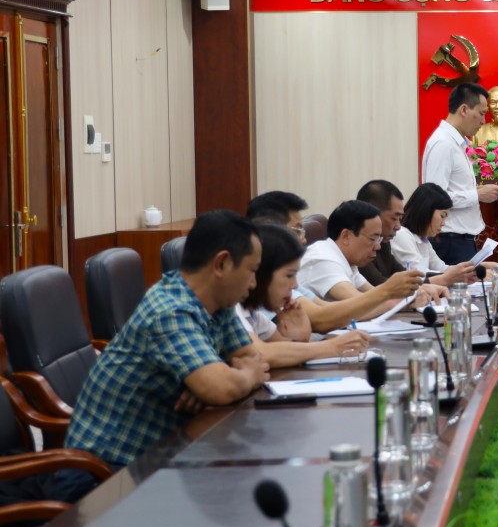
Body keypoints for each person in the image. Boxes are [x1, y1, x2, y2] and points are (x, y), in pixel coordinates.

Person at [62, 211, 270, 477]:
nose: (254, 283)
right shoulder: (169, 310)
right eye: (252, 270)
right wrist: (237, 378)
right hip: (103, 472)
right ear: (222, 264)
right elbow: (225, 385)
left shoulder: (219, 302)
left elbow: (249, 359)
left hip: (159, 457)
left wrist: (215, 380)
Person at [238, 223, 372, 368]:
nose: (295, 285)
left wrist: (300, 338)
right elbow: (259, 354)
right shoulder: (234, 308)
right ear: (260, 273)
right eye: (289, 275)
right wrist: (333, 346)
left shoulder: (254, 315)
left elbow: (285, 351)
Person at [296, 200, 440, 319]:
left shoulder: (345, 259)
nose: (378, 246)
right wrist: (401, 300)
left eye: (379, 239)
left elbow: (372, 295)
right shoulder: (323, 258)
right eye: (373, 239)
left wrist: (409, 295)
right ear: (346, 236)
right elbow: (358, 305)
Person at [423, 82, 498, 264]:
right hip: (450, 241)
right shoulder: (443, 144)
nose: (484, 121)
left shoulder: (457, 143)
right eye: (482, 113)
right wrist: (477, 195)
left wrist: (478, 192)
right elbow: (435, 199)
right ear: (464, 110)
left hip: (460, 241)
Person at [390, 182, 480, 287]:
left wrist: (471, 270)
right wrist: (453, 276)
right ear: (426, 211)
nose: (443, 223)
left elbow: (442, 268)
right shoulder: (402, 235)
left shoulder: (423, 240)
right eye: (442, 215)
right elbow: (419, 276)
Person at [356, 179, 410, 286]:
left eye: (400, 219)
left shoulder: (383, 241)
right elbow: (380, 285)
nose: (398, 227)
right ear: (372, 213)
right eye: (394, 218)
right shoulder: (357, 245)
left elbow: (404, 275)